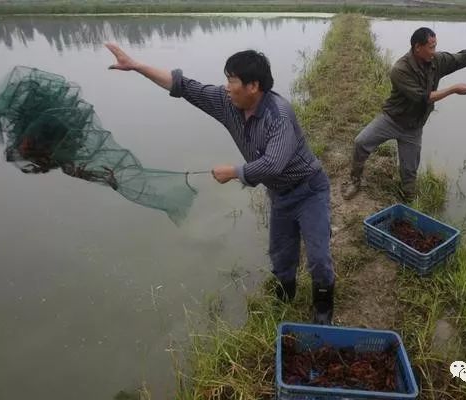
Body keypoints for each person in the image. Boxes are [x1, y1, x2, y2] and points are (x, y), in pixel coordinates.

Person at [105, 44, 335, 324]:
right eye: (227, 80)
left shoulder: (279, 116)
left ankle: (323, 311)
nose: (226, 87)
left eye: (232, 81)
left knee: (318, 257)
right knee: (280, 255)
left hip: (309, 190)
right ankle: (284, 301)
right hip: (280, 194)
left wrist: (234, 172)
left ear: (253, 86)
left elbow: (273, 164)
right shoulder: (229, 103)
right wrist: (136, 66)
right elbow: (184, 86)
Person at [342, 27, 466, 201]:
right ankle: (355, 181)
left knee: (409, 172)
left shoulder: (437, 60)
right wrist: (453, 89)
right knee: (361, 142)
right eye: (431, 47)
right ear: (418, 47)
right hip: (392, 120)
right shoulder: (400, 69)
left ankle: (408, 199)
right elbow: (422, 98)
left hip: (414, 127)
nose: (434, 51)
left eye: (435, 46)